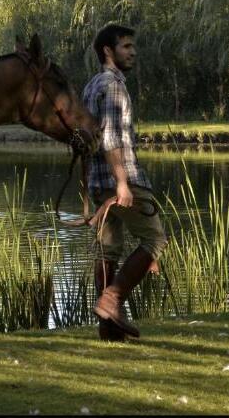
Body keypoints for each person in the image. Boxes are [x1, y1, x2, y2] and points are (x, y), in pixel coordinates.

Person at [80, 24, 167, 341]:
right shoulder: (113, 86)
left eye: (133, 46)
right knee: (155, 240)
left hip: (98, 182)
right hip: (121, 178)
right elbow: (111, 139)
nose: (133, 52)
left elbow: (86, 139)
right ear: (108, 51)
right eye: (126, 46)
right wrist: (122, 184)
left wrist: (92, 188)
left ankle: (109, 329)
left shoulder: (91, 86)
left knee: (108, 251)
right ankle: (112, 300)